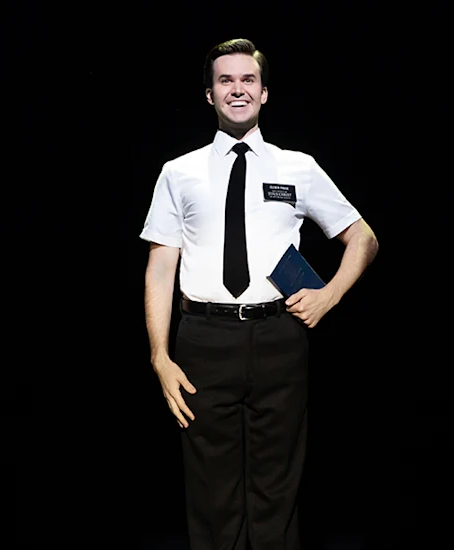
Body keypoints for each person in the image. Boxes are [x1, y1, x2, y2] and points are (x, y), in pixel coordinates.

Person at [140, 38, 379, 550]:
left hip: (279, 338)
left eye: (248, 80)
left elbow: (363, 237)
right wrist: (160, 355)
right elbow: (161, 265)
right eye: (225, 80)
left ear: (265, 93)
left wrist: (330, 294)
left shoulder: (298, 167)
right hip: (203, 341)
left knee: (276, 490)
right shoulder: (177, 172)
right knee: (211, 495)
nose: (238, 89)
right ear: (209, 95)